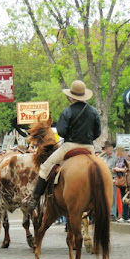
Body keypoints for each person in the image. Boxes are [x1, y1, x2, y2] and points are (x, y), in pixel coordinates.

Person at [25, 80, 101, 212]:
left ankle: (34, 198)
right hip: (89, 148)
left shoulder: (68, 111)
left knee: (45, 167)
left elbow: (61, 131)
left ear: (72, 96)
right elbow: (97, 132)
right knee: (99, 171)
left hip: (70, 146)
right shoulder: (93, 111)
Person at [101, 141, 118, 220]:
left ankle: (113, 214)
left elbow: (117, 169)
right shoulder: (103, 157)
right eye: (108, 147)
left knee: (112, 197)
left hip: (112, 179)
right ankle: (105, 213)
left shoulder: (115, 158)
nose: (110, 149)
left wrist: (115, 179)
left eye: (111, 147)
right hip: (103, 180)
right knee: (104, 197)